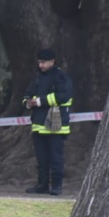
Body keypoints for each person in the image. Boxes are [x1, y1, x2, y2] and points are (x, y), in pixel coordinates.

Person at [22, 48, 73, 195]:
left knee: (56, 157)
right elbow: (27, 94)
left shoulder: (61, 77)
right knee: (41, 159)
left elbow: (64, 96)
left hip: (56, 124)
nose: (41, 65)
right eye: (39, 62)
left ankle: (56, 186)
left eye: (43, 63)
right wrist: (27, 102)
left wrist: (40, 101)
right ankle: (42, 184)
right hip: (38, 125)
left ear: (52, 61)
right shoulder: (37, 78)